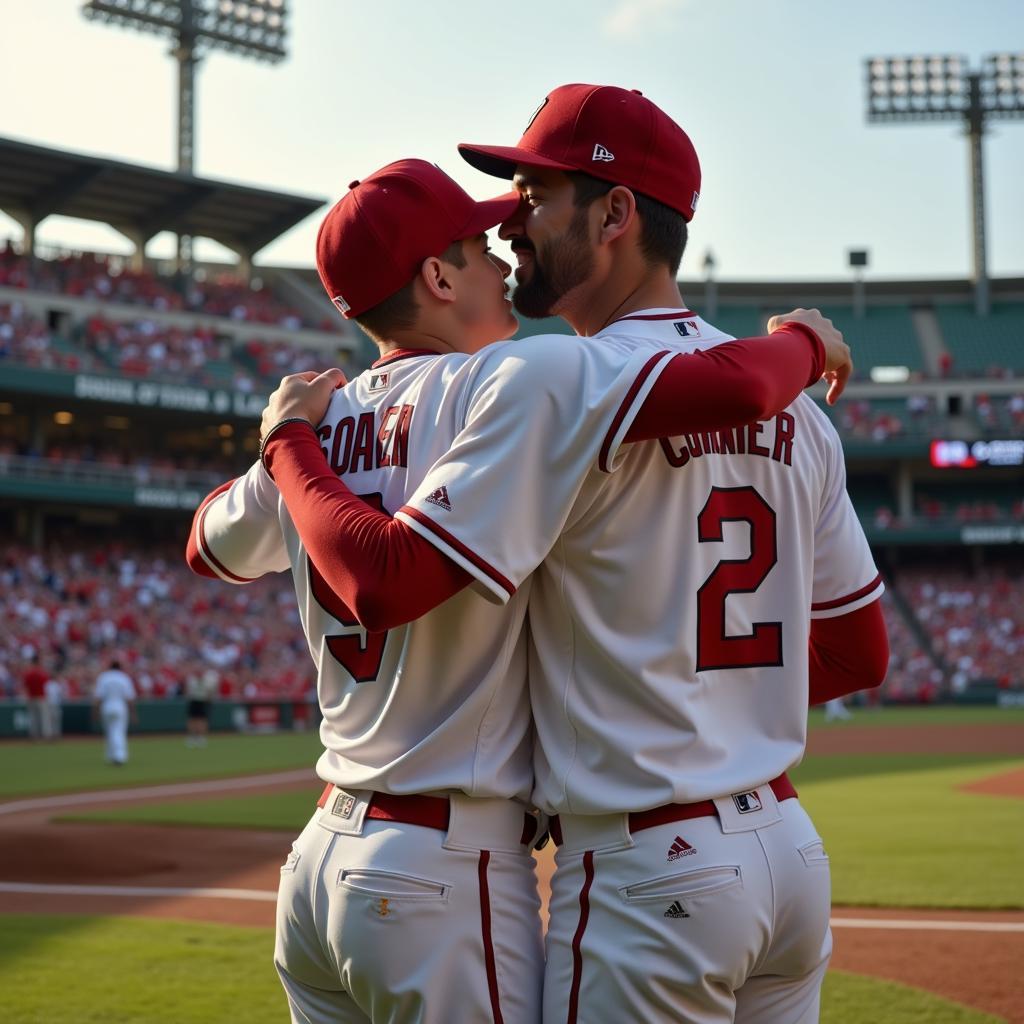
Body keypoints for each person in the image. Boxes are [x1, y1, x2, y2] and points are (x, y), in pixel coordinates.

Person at [259, 84, 889, 1024]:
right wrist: (703, 698)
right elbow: (857, 653)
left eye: (537, 196)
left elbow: (382, 573)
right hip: (785, 855)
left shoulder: (551, 371)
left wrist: (293, 443)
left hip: (649, 874)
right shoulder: (802, 413)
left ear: (616, 215)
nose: (513, 223)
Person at [93, 658, 137, 765]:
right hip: (120, 706)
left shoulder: (104, 677)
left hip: (107, 706)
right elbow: (129, 698)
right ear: (120, 667)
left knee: (110, 732)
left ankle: (110, 755)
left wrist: (95, 711)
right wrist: (133, 713)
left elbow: (98, 697)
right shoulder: (124, 678)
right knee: (118, 731)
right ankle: (119, 756)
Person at [185, 668, 217, 746]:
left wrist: (208, 699)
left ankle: (200, 737)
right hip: (194, 700)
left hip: (203, 701)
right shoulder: (191, 680)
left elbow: (210, 692)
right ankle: (192, 737)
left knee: (202, 720)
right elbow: (187, 690)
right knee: (192, 719)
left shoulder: (208, 680)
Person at [22, 654, 48, 741]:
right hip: (41, 697)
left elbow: (25, 686)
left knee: (33, 718)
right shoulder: (42, 672)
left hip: (31, 697)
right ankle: (45, 736)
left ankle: (34, 736)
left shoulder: (28, 673)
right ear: (38, 662)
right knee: (43, 718)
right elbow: (46, 684)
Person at [43, 674, 65, 740]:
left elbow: (61, 695)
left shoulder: (53, 684)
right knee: (51, 721)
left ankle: (53, 735)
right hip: (51, 705)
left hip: (53, 704)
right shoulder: (49, 684)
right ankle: (51, 735)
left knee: (53, 721)